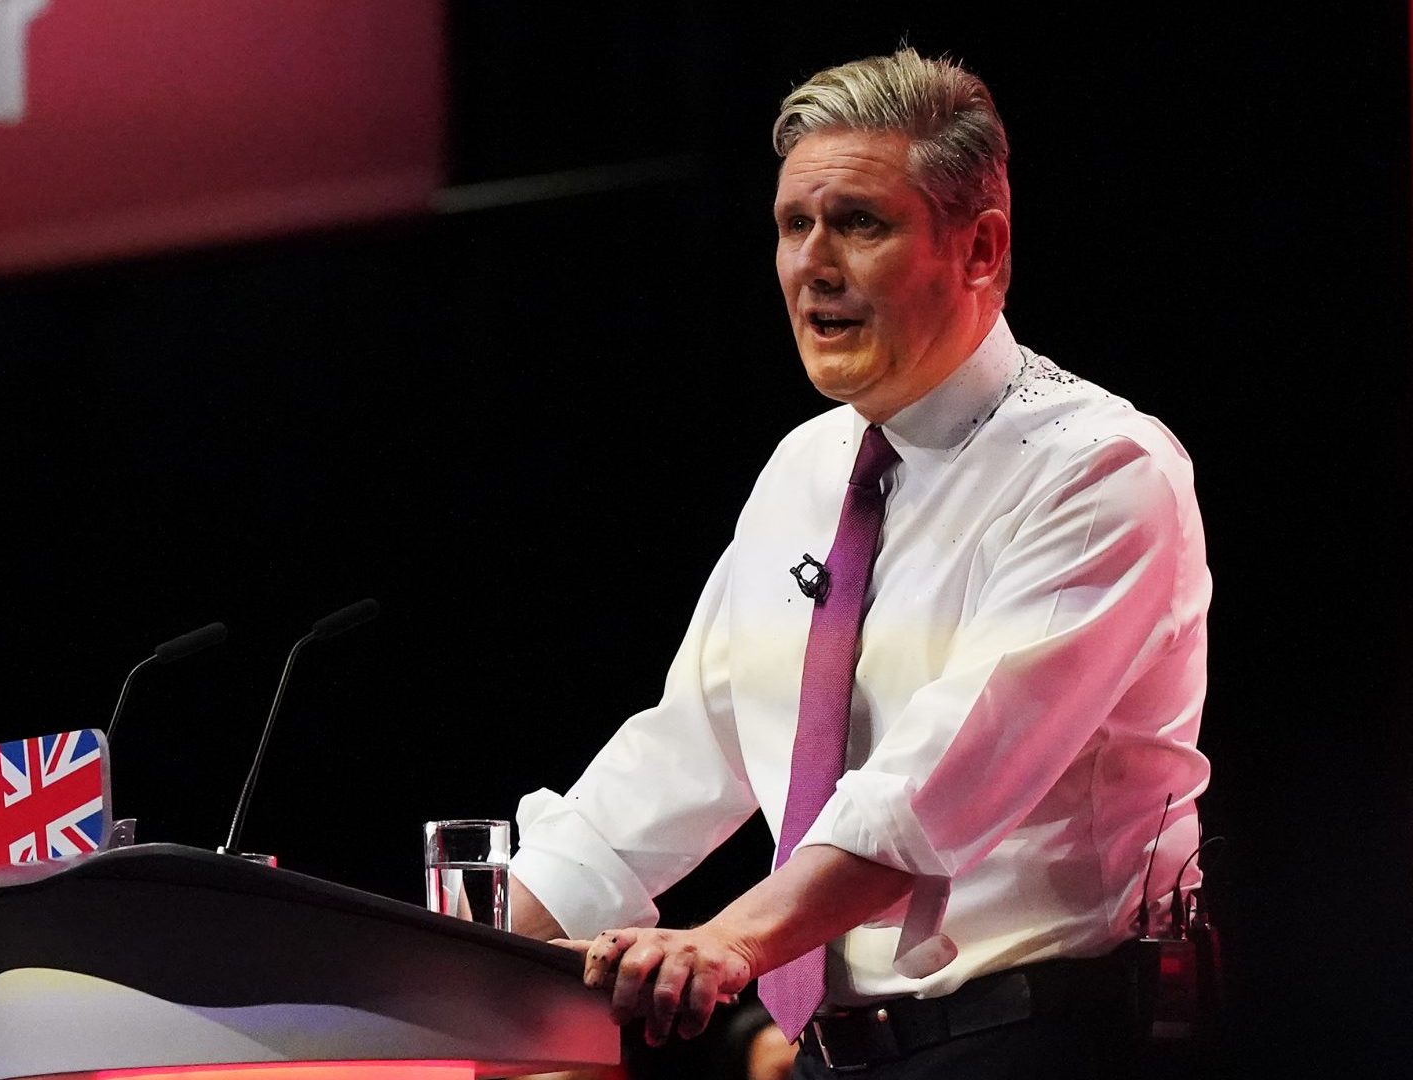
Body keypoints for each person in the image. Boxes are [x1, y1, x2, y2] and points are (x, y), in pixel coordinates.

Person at [504, 48, 1210, 1078]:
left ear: (981, 250)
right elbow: (688, 749)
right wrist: (450, 956)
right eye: (795, 226)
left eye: (860, 224)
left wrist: (728, 943)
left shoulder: (1100, 470)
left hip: (1042, 1038)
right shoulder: (807, 465)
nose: (813, 265)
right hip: (841, 1056)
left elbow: (934, 785)